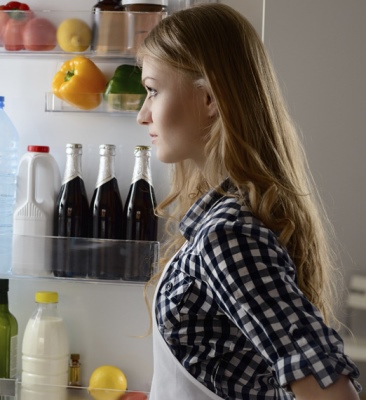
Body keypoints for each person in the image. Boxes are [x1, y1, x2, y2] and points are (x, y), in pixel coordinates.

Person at [136, 4, 361, 399]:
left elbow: (333, 391)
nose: (143, 114)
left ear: (209, 98)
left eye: (153, 91)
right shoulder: (218, 219)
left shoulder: (227, 235)